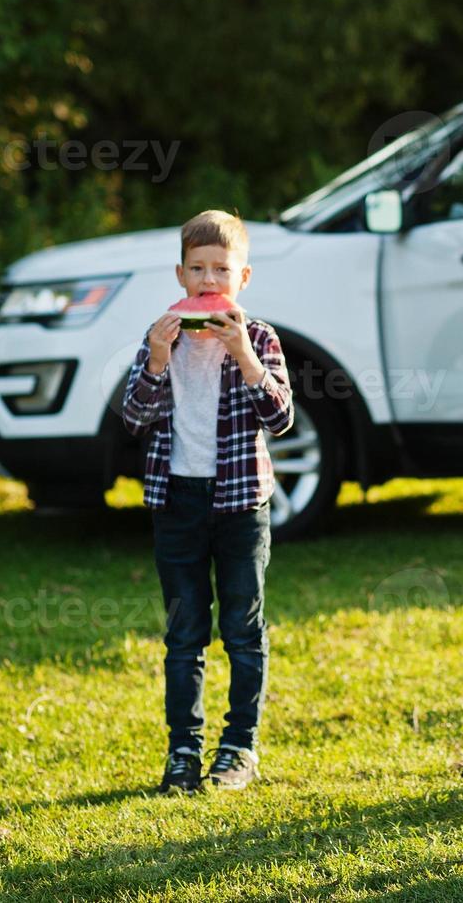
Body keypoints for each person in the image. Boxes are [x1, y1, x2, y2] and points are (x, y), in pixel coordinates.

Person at [121, 209, 294, 793]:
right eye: (197, 268)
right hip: (176, 501)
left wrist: (244, 354)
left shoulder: (262, 338)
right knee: (184, 632)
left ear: (242, 277)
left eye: (221, 268)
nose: (208, 279)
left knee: (243, 630)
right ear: (180, 274)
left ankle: (239, 747)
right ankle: (182, 751)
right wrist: (155, 360)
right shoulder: (162, 333)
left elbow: (282, 417)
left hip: (242, 503)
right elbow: (132, 417)